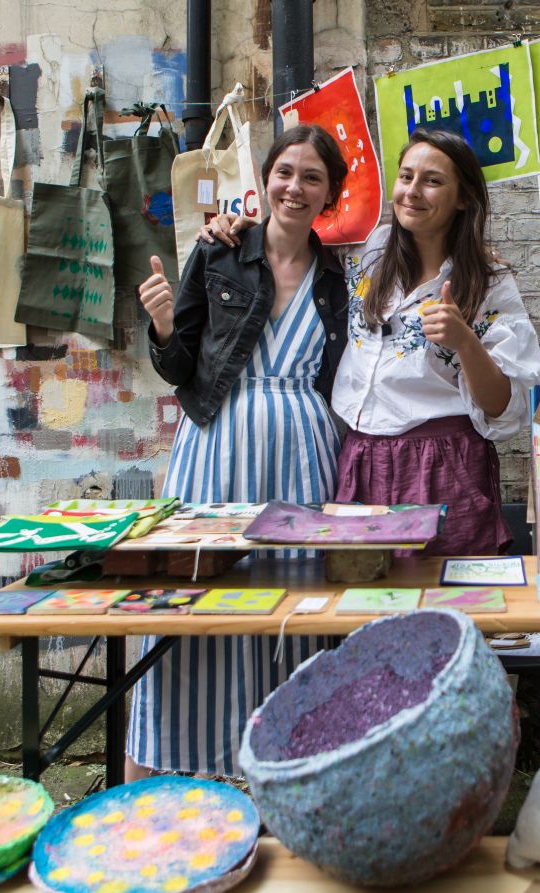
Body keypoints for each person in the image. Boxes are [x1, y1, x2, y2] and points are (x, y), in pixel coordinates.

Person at [200, 128, 540, 555]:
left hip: (442, 462)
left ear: (463, 198)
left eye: (432, 181)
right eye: (406, 177)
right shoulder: (366, 252)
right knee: (361, 597)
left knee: (447, 597)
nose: (413, 191)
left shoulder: (488, 284)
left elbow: (506, 410)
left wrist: (466, 343)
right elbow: (290, 239)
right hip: (359, 456)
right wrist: (242, 227)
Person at [127, 123, 349, 779]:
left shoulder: (339, 277)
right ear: (265, 178)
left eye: (312, 176)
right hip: (216, 453)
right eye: (285, 171)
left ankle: (288, 766)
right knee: (199, 598)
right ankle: (186, 769)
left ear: (329, 192)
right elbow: (179, 364)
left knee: (297, 608)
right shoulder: (219, 251)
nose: (295, 187)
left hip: (303, 463)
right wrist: (163, 322)